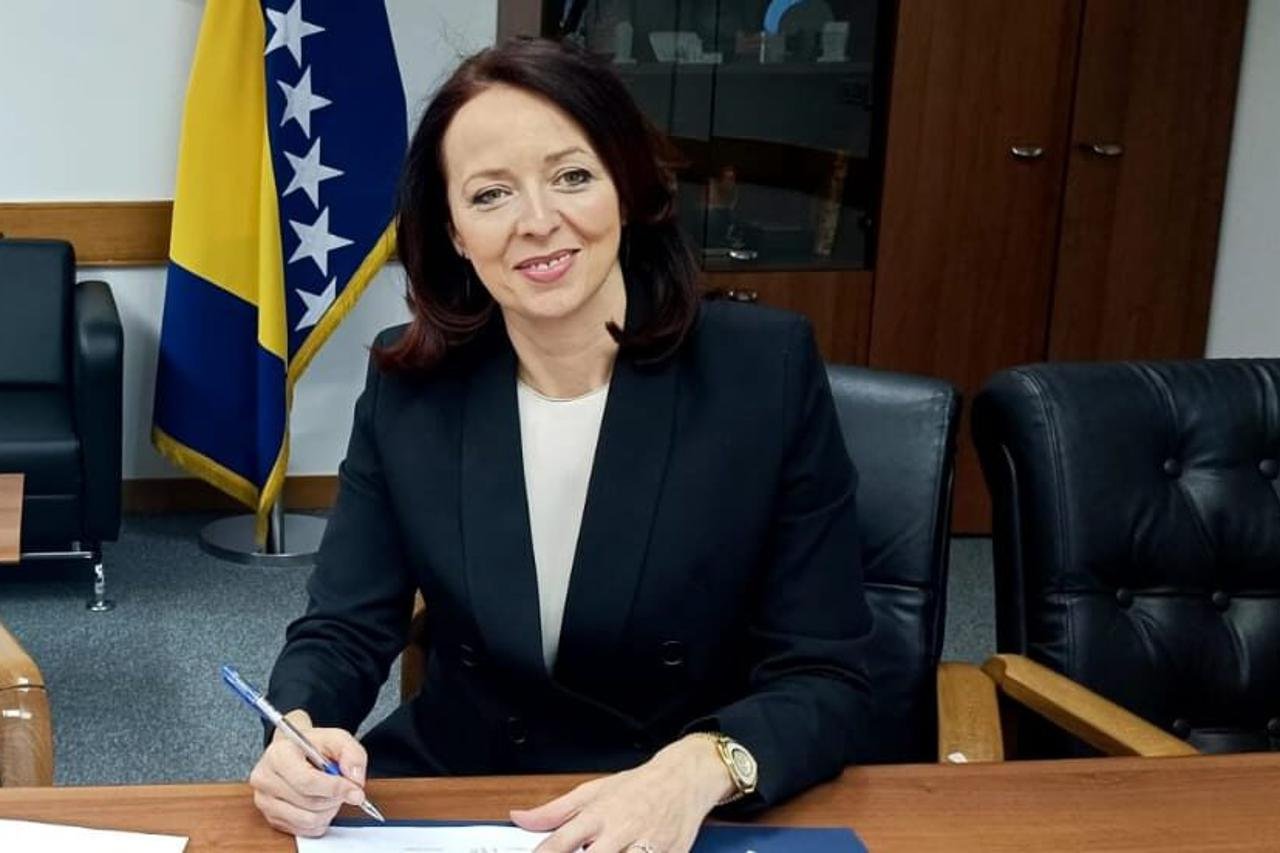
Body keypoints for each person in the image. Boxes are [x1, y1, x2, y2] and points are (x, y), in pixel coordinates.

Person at [250, 36, 872, 853]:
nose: (538, 221)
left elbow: (827, 673)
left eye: (572, 176)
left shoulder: (764, 372)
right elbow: (342, 628)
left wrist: (700, 767)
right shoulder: (411, 385)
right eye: (490, 194)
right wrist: (297, 726)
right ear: (454, 231)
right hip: (470, 802)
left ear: (627, 187)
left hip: (681, 809)